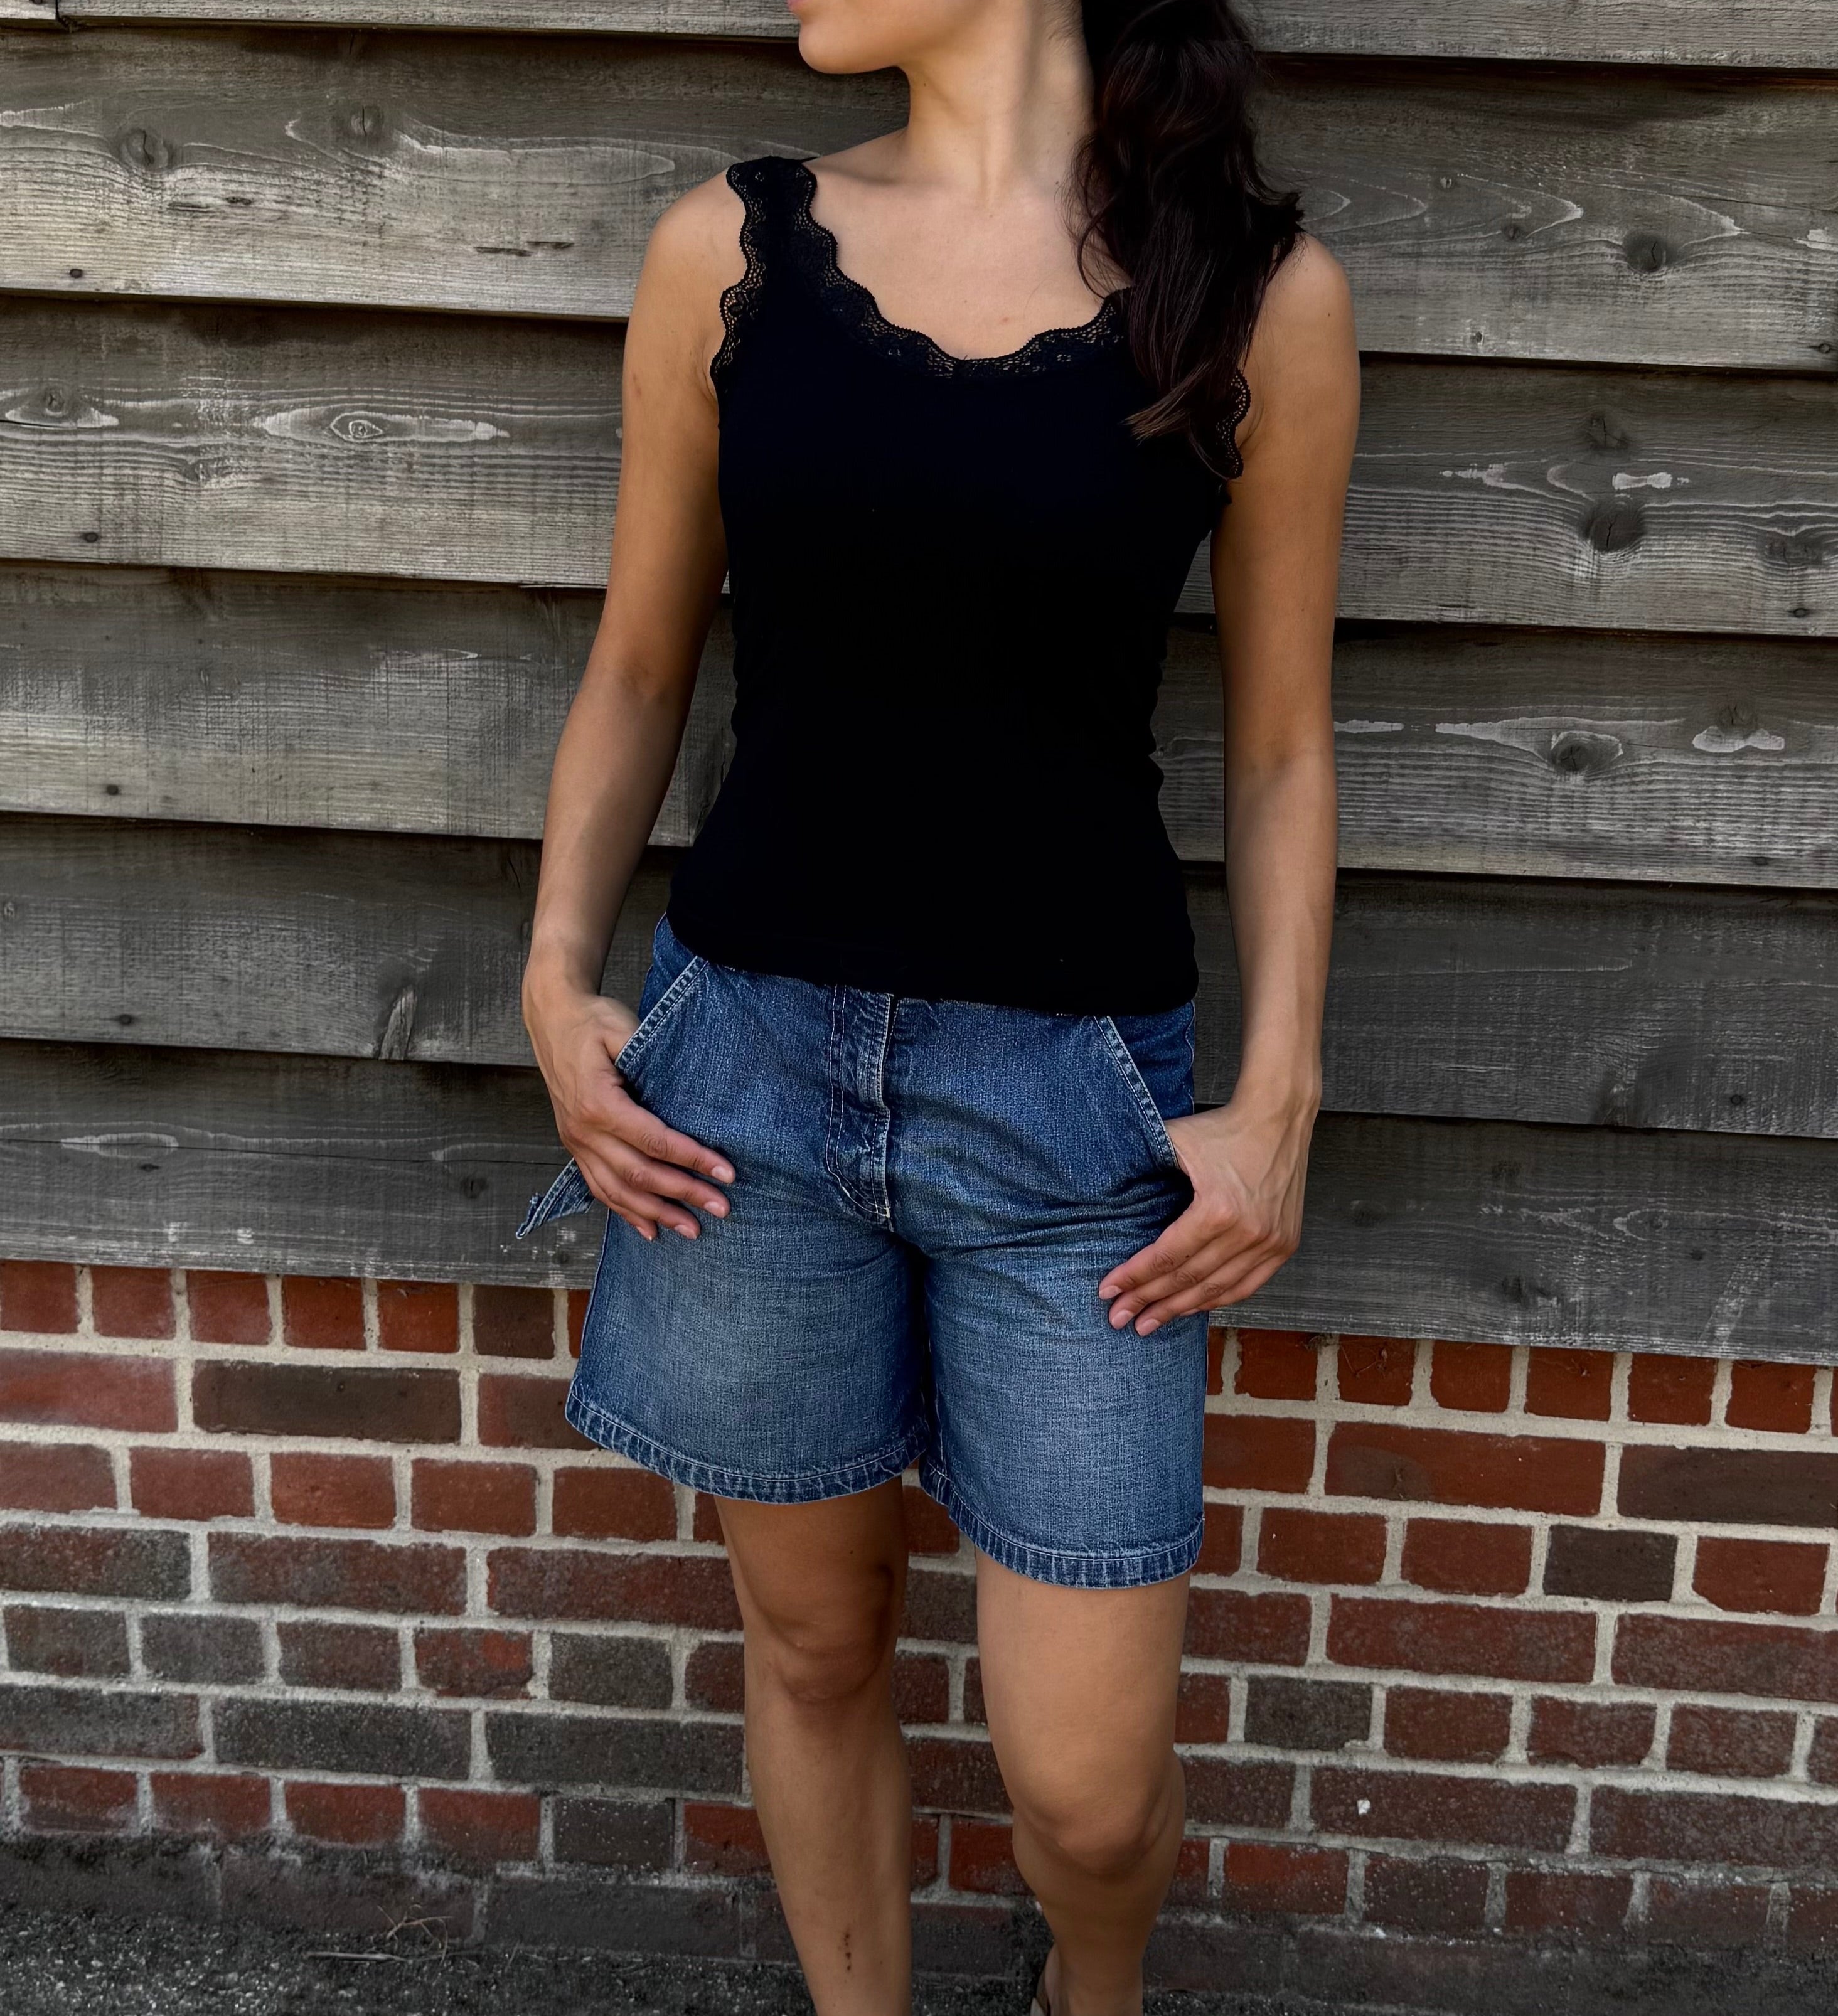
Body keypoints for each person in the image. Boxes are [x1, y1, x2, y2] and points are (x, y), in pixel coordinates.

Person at [516, 0, 1357, 2004]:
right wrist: (553, 980)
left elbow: (1285, 746)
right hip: (746, 1093)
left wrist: (1279, 1090)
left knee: (1085, 1788)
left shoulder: (1255, 296)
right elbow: (641, 666)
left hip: (1072, 1122)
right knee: (812, 1648)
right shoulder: (724, 250)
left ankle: (1096, 1988)